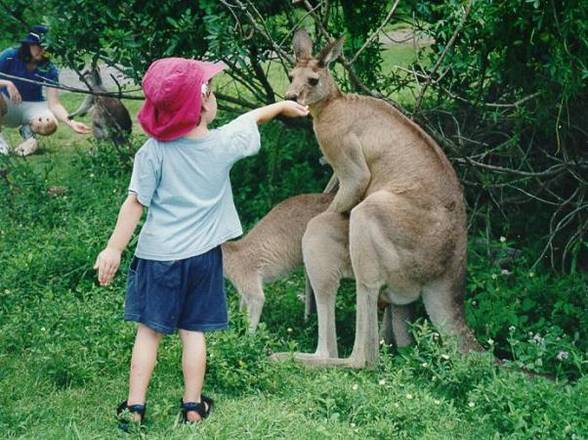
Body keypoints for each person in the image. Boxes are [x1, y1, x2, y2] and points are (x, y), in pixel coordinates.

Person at [93, 57, 309, 429]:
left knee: (149, 333)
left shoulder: (152, 152)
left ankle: (134, 408)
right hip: (204, 260)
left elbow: (135, 203)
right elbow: (253, 119)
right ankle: (192, 407)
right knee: (193, 332)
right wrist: (282, 106)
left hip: (158, 259)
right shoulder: (222, 144)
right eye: (210, 90)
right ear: (204, 103)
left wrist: (113, 248)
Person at [0, 25, 91, 155]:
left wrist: (72, 123)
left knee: (51, 125)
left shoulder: (49, 67)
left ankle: (29, 133)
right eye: (38, 46)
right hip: (7, 106)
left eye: (45, 47)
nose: (42, 50)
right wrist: (7, 83)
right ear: (29, 45)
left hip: (33, 107)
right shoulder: (10, 55)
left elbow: (54, 104)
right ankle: (1, 143)